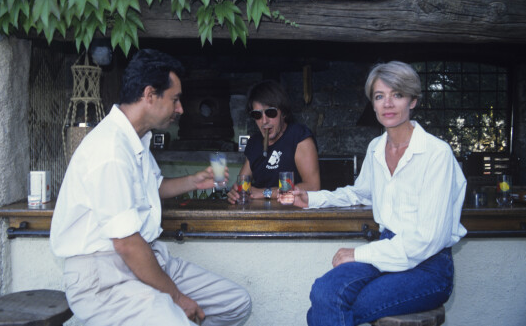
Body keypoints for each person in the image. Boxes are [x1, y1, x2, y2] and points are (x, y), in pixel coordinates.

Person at [50, 49, 251, 326]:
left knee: (236, 303)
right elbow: (127, 244)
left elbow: (152, 189)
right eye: (175, 99)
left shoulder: (137, 139)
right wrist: (178, 298)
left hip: (148, 258)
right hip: (105, 276)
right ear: (149, 95)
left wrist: (193, 181)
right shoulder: (110, 149)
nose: (180, 109)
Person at [292, 61, 467, 326]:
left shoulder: (436, 154)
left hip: (428, 266)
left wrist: (359, 254)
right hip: (387, 249)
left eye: (397, 95)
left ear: (413, 101)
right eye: (379, 96)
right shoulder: (376, 148)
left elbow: (428, 239)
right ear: (372, 104)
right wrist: (313, 199)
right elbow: (360, 194)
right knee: (324, 291)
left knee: (334, 308)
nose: (387, 104)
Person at [227, 79, 320, 203]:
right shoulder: (254, 143)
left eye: (270, 112)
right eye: (257, 115)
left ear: (283, 113)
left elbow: (313, 187)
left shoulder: (299, 136)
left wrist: (265, 192)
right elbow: (243, 184)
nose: (264, 121)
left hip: (292, 215)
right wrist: (236, 193)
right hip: (260, 216)